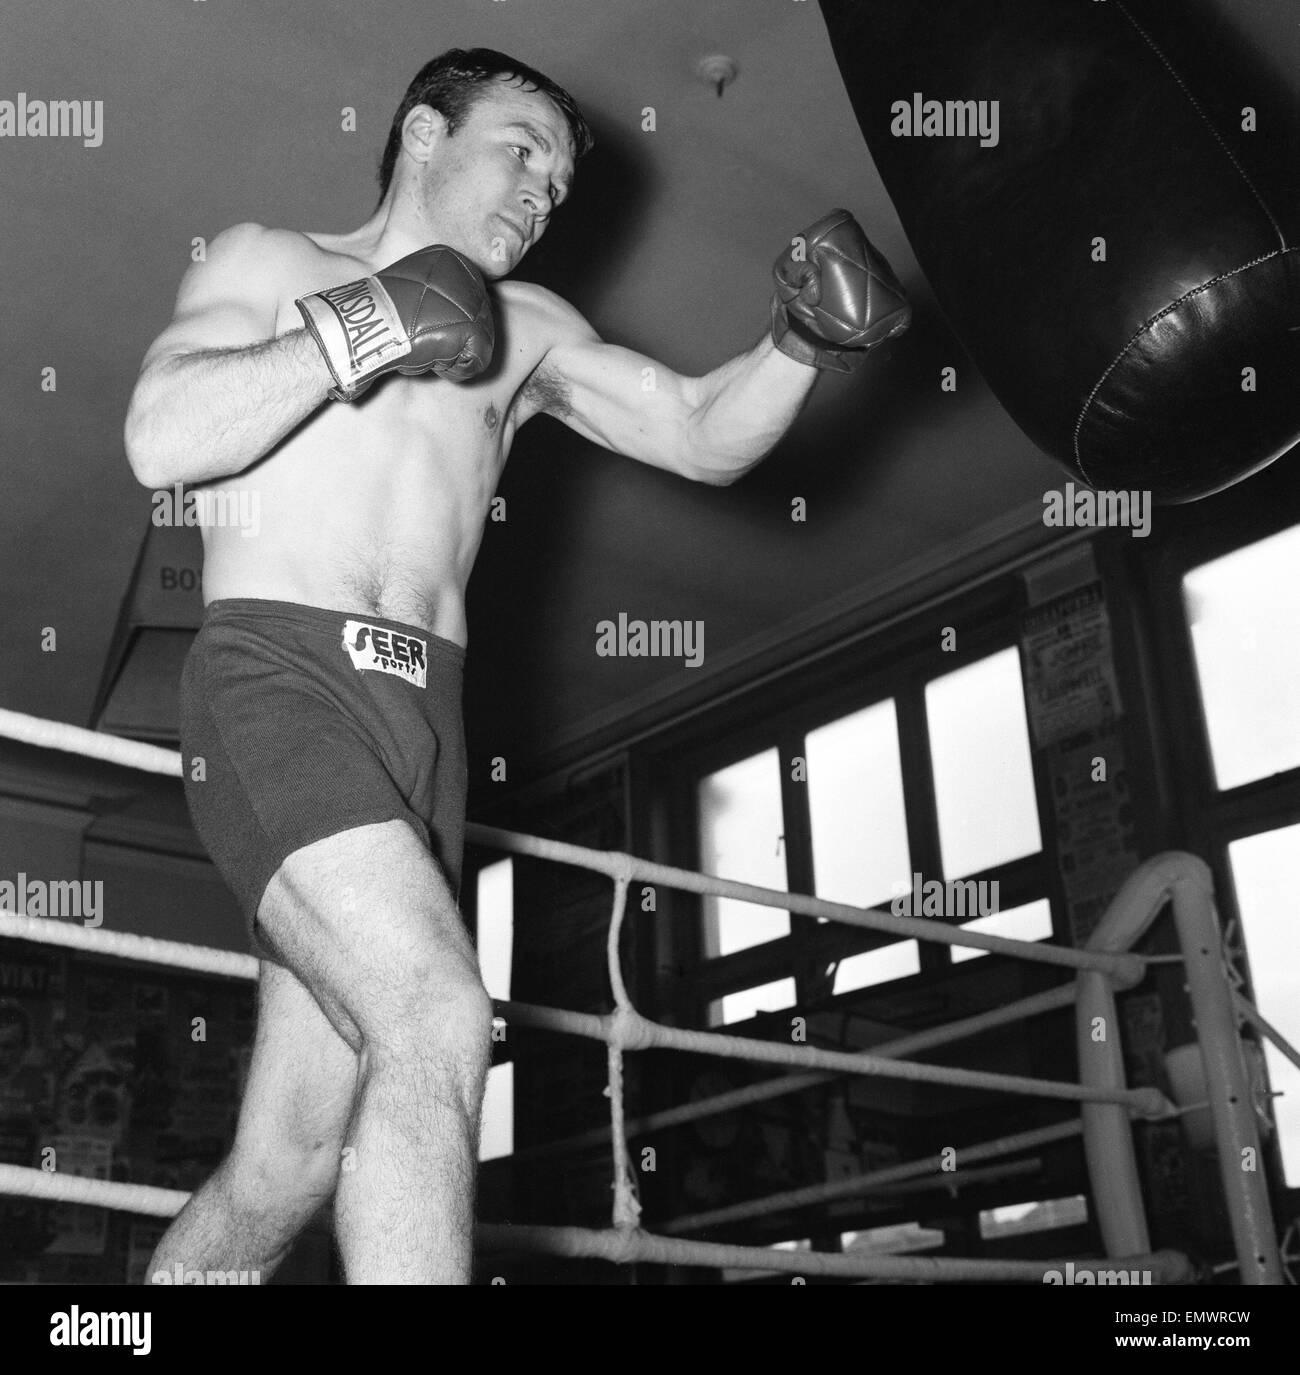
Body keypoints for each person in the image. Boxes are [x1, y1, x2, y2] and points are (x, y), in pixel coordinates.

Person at [123, 47, 910, 1285]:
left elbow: (702, 436)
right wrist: (367, 327)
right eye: (522, 146)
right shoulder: (271, 261)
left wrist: (801, 343)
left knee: (290, 1157)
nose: (543, 190)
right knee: (438, 1017)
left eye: (558, 181)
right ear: (426, 134)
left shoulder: (530, 328)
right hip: (277, 683)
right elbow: (162, 437)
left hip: (421, 726)